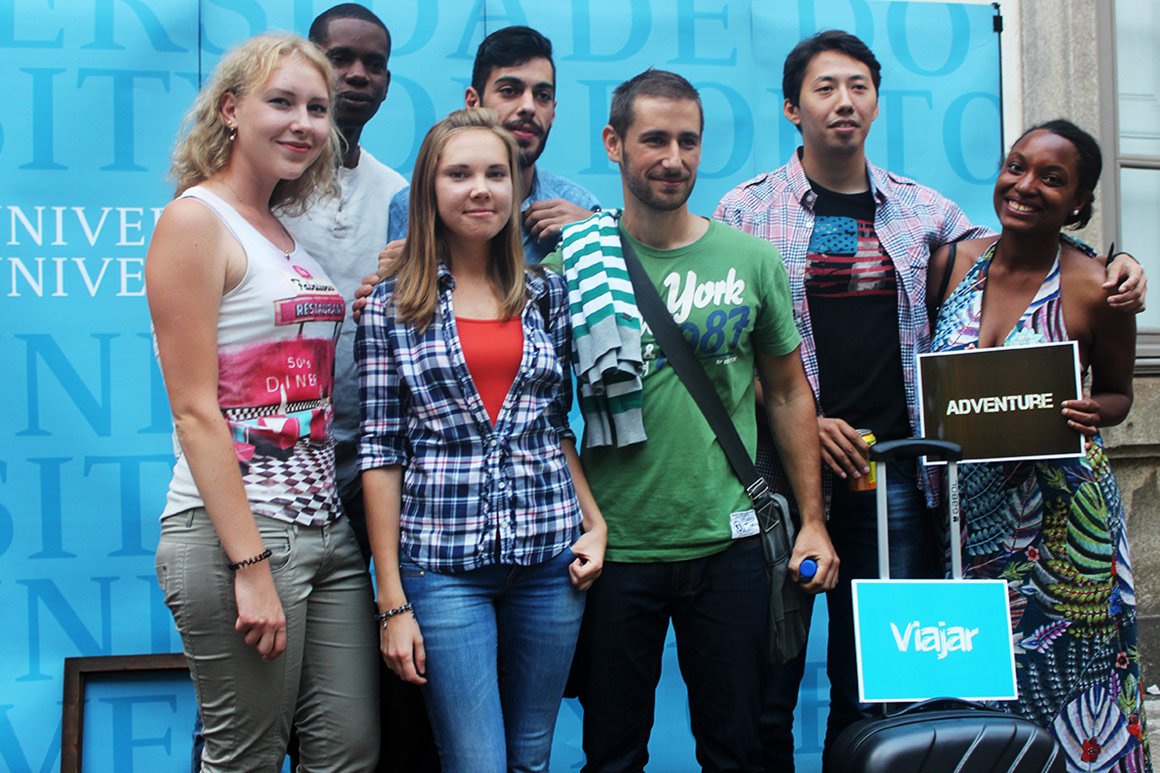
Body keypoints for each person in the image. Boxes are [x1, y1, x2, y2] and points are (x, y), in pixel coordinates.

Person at [713, 30, 1149, 769]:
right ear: (792, 107)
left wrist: (1120, 261)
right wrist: (803, 421)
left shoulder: (926, 214)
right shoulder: (745, 212)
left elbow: (1028, 248)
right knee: (766, 680)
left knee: (879, 688)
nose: (844, 101)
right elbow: (728, 351)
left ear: (876, 103)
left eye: (858, 86)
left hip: (894, 482)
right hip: (779, 478)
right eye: (825, 87)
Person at [559, 69, 837, 772]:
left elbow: (787, 393)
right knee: (612, 753)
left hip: (731, 545)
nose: (674, 159)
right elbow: (539, 409)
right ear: (614, 143)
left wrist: (811, 519)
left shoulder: (749, 259)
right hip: (616, 548)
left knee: (736, 750)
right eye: (654, 139)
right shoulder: (573, 264)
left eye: (688, 141)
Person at [147, 32, 379, 772]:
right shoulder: (195, 220)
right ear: (230, 110)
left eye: (317, 108)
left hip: (327, 531)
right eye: (281, 102)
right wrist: (249, 564)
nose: (303, 123)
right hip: (240, 535)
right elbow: (194, 412)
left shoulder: (280, 230)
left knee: (348, 752)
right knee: (245, 757)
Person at [357, 108, 607, 773]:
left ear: (516, 187)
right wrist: (391, 599)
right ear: (429, 188)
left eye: (496, 174)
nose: (480, 189)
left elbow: (554, 424)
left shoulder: (547, 294)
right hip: (441, 567)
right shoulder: (391, 305)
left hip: (551, 561)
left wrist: (596, 523)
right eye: (459, 174)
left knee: (531, 759)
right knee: (477, 763)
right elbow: (380, 451)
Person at [927, 120, 1147, 772]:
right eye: (1016, 166)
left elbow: (1118, 394)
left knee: (1076, 692)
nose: (1024, 185)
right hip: (971, 523)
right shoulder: (950, 264)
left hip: (1067, 532)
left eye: (1051, 178)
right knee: (981, 693)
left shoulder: (1098, 286)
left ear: (1079, 201)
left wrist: (1092, 410)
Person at [279, 5, 438, 771]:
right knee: (261, 688)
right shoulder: (265, 187)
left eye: (374, 63)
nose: (357, 75)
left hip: (379, 461)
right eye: (340, 58)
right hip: (279, 468)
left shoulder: (402, 194)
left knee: (388, 674)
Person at [386, 25, 598, 263]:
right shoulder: (412, 207)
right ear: (472, 102)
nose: (529, 107)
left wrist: (595, 235)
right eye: (509, 91)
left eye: (542, 96)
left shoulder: (579, 208)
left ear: (553, 113)